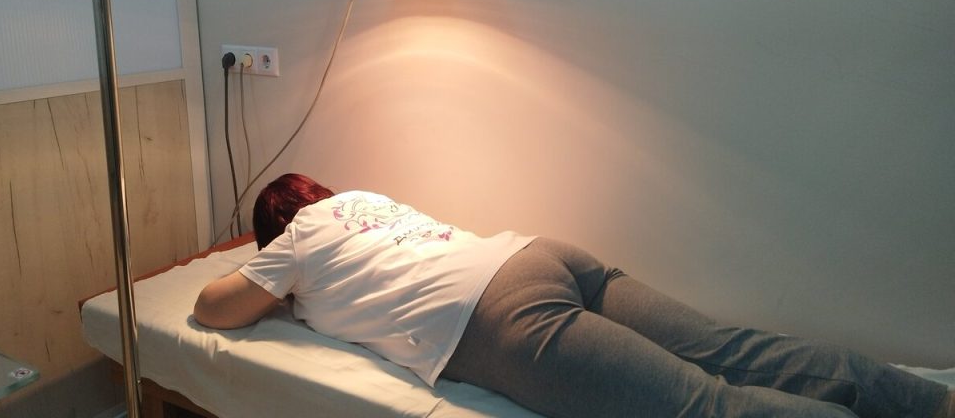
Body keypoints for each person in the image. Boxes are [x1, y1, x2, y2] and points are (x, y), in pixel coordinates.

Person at [195, 173, 953, 418]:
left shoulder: (297, 240)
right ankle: (928, 402)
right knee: (735, 351)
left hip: (498, 317)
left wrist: (273, 279)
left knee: (706, 406)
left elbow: (212, 307)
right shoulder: (364, 199)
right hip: (539, 255)